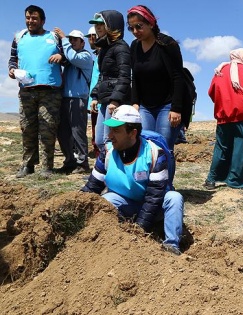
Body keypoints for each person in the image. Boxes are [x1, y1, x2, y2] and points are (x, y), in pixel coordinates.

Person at [81, 105, 184, 255]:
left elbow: (154, 198)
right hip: (126, 204)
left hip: (155, 207)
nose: (110, 136)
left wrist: (139, 230)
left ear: (132, 133)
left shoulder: (155, 153)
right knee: (106, 200)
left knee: (174, 198)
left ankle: (171, 245)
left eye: (116, 131)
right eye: (110, 130)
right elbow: (92, 187)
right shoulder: (107, 151)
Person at [8, 5, 64, 178]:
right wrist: (11, 70)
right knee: (27, 128)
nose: (30, 21)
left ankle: (47, 168)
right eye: (27, 18)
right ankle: (28, 165)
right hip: (26, 91)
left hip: (50, 91)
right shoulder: (19, 37)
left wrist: (62, 57)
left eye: (34, 18)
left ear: (42, 21)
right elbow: (12, 59)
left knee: (47, 129)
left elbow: (67, 55)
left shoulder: (54, 37)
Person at [203, 48, 243, 190]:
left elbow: (211, 92)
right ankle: (236, 179)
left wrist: (222, 104)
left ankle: (211, 179)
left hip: (223, 117)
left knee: (221, 147)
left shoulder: (219, 71)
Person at [127, 5, 186, 151]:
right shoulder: (134, 46)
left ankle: (165, 175)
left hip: (167, 105)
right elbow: (135, 76)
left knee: (163, 148)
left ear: (151, 23)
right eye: (131, 28)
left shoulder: (167, 45)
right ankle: (146, 175)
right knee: (145, 146)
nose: (135, 32)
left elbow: (178, 77)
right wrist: (135, 102)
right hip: (145, 107)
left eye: (139, 26)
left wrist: (176, 108)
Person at [89, 10, 131, 155]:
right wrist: (95, 96)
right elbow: (102, 75)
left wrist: (116, 100)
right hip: (104, 99)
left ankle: (113, 175)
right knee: (100, 141)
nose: (97, 27)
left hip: (114, 101)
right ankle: (106, 173)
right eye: (96, 24)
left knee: (110, 140)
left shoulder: (121, 47)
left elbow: (125, 75)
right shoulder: (104, 49)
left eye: (101, 23)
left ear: (112, 25)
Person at [53, 29, 93, 174]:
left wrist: (63, 39)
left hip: (77, 99)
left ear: (83, 42)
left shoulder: (85, 56)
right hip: (65, 98)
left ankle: (83, 164)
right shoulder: (70, 56)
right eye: (71, 39)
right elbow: (66, 57)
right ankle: (70, 161)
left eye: (76, 39)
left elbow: (72, 57)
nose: (72, 41)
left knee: (78, 132)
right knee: (62, 131)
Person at [85, 26, 101, 158]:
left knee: (103, 134)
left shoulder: (106, 55)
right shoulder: (96, 57)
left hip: (104, 100)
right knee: (96, 131)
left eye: (93, 36)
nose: (91, 40)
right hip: (95, 101)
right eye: (89, 37)